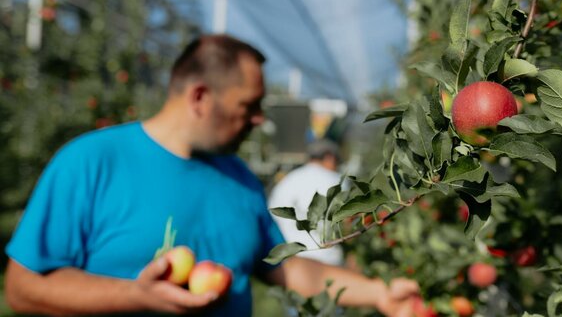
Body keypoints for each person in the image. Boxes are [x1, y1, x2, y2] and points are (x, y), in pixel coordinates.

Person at [4, 34, 420, 316]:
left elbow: (286, 268)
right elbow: (22, 289)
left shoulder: (238, 177)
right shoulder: (91, 162)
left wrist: (380, 294)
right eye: (249, 105)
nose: (259, 119)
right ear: (200, 97)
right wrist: (134, 295)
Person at [269, 138, 345, 266]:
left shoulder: (288, 180)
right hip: (327, 258)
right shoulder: (336, 181)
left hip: (290, 258)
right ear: (329, 157)